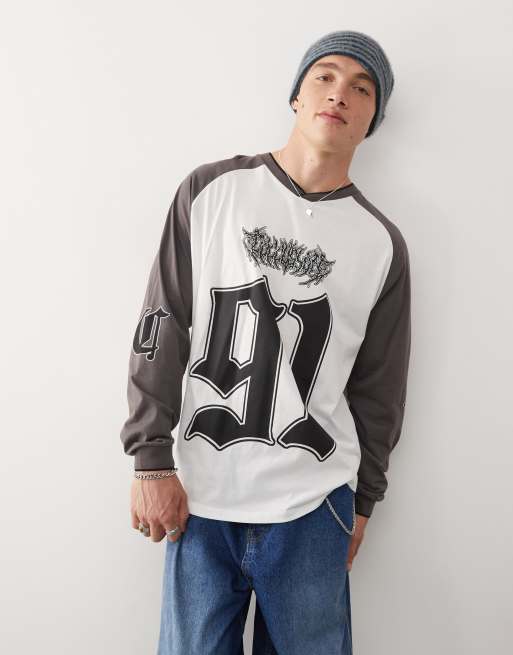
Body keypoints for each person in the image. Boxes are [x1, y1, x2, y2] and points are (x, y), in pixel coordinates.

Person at [120, 29, 412, 655]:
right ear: (296, 95)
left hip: (314, 504)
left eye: (362, 89)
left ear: (373, 119)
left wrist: (363, 501)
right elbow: (161, 324)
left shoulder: (380, 243)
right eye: (325, 76)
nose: (340, 94)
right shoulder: (212, 190)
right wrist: (150, 457)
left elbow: (380, 388)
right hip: (202, 495)